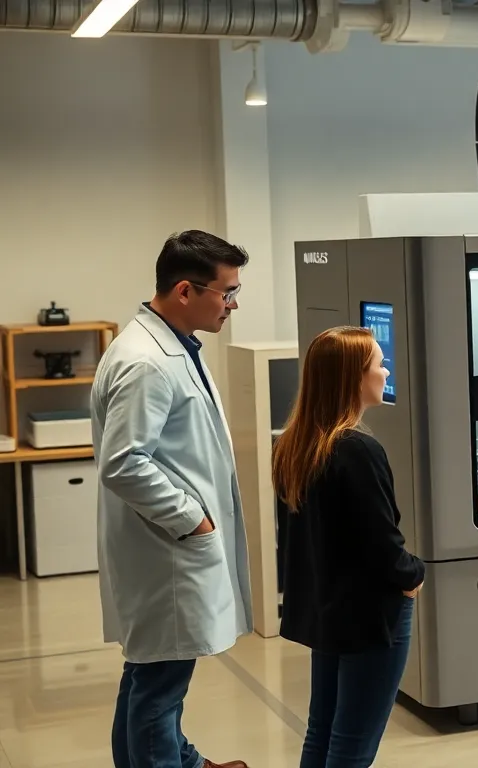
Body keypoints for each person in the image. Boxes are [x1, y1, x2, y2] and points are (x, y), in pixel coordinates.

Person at [92, 230, 253, 768]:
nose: (232, 304)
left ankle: (181, 761)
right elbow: (123, 462)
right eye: (226, 292)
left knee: (148, 678)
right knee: (159, 691)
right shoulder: (147, 362)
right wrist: (193, 521)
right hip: (169, 552)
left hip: (167, 549)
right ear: (185, 290)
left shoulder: (171, 344)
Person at [274, 326, 426, 768]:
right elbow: (382, 543)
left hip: (329, 611)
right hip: (370, 616)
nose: (386, 370)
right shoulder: (357, 449)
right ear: (354, 378)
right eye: (379, 363)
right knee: (354, 745)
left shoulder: (295, 445)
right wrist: (413, 575)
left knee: (322, 731)